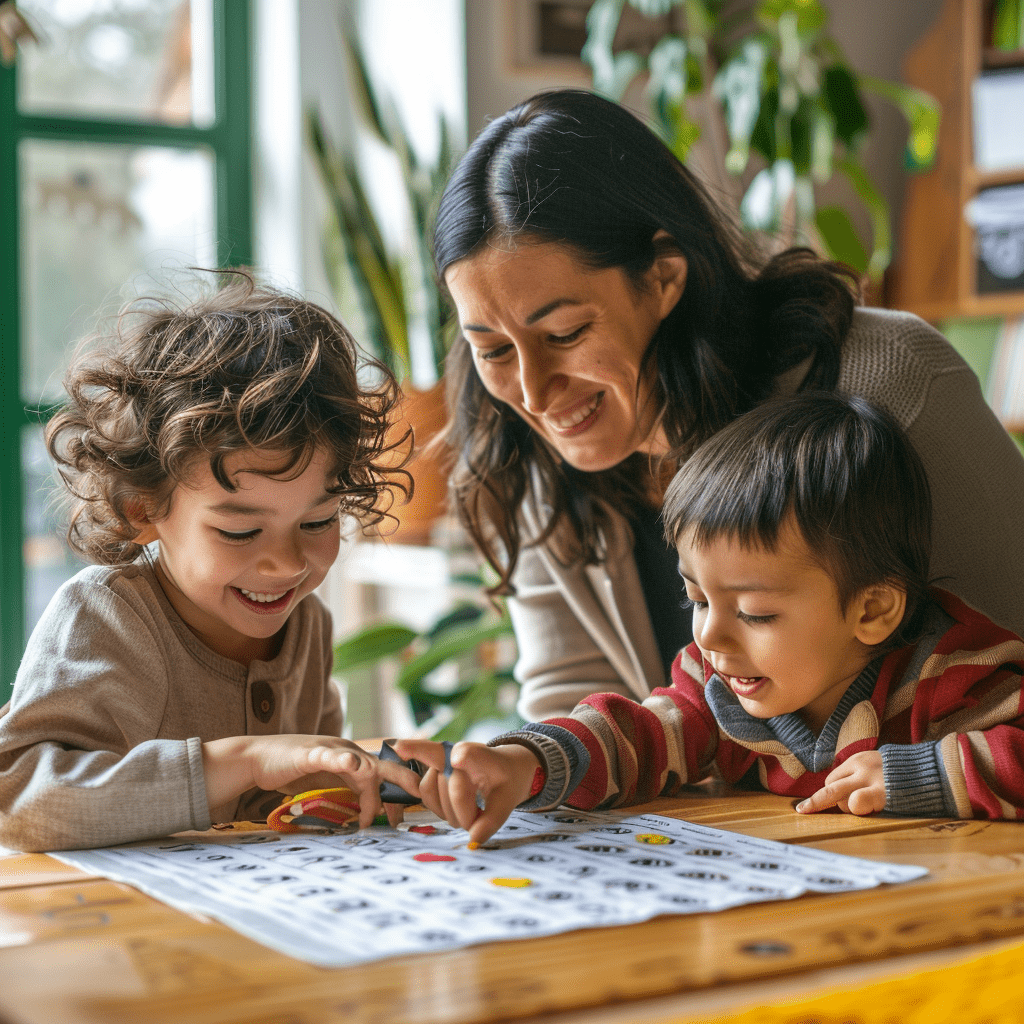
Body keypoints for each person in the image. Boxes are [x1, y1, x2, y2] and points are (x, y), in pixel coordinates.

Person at [432, 88, 1024, 722]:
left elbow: (1009, 650)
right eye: (491, 349)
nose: (532, 390)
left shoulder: (886, 382)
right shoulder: (533, 459)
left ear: (662, 278)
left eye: (565, 334)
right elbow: (573, 704)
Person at [394, 393, 1024, 843]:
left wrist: (920, 774)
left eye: (755, 613)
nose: (710, 636)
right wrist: (524, 764)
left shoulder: (953, 672)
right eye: (696, 600)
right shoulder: (717, 682)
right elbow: (639, 735)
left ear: (873, 610)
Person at [0, 273, 422, 852]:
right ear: (142, 509)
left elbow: (284, 805)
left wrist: (364, 781)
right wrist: (243, 761)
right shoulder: (105, 615)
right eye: (240, 529)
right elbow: (19, 802)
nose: (286, 565)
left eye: (318, 522)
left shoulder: (306, 625)